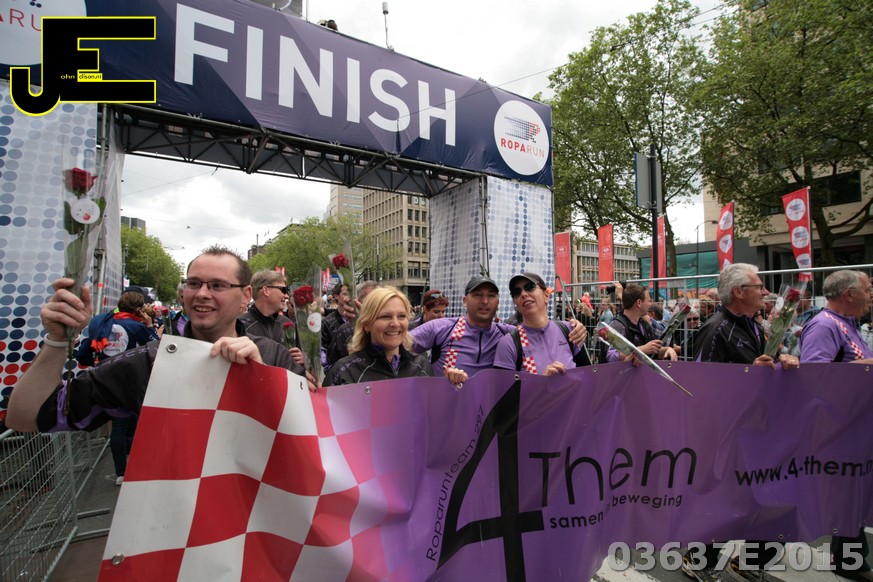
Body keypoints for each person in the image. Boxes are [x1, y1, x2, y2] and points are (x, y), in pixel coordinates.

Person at [5, 245, 313, 435]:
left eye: (218, 285)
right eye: (194, 283)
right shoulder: (148, 362)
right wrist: (58, 340)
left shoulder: (274, 356)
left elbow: (311, 432)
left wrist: (264, 378)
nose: (202, 293)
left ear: (245, 295)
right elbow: (25, 417)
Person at [682, 263, 799, 582]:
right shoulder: (715, 328)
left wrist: (783, 360)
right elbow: (701, 385)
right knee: (727, 498)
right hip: (728, 433)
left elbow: (763, 365)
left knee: (770, 494)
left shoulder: (754, 325)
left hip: (759, 428)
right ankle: (698, 559)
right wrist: (749, 375)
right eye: (759, 286)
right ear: (738, 292)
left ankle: (749, 560)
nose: (765, 291)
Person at [797, 270, 873, 581]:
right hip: (839, 430)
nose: (871, 295)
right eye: (868, 289)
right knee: (842, 495)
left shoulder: (847, 324)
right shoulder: (824, 326)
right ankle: (850, 561)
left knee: (852, 495)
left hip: (855, 427)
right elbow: (815, 376)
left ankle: (849, 560)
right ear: (849, 294)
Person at [75, 289, 161, 485]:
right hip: (133, 382)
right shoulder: (136, 326)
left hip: (107, 382)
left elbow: (83, 355)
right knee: (139, 424)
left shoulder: (102, 323)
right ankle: (141, 467)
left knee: (119, 427)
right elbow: (156, 348)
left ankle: (121, 472)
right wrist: (149, 326)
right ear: (138, 309)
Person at [409, 275, 511, 386]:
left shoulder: (507, 333)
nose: (485, 301)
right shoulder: (440, 328)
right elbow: (397, 348)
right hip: (443, 397)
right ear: (465, 301)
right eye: (477, 295)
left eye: (491, 296)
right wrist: (424, 375)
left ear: (498, 303)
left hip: (490, 397)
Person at [323, 286, 433, 386]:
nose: (395, 323)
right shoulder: (345, 372)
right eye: (385, 316)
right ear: (367, 324)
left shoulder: (422, 367)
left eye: (401, 316)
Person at [493, 273, 589, 375]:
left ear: (546, 295)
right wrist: (541, 382)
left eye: (529, 287)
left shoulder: (569, 330)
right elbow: (505, 385)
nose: (523, 294)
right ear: (516, 304)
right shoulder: (509, 344)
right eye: (516, 292)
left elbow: (588, 375)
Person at [603, 284, 678, 364]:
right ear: (639, 302)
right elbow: (611, 356)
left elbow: (651, 350)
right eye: (649, 301)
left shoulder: (643, 325)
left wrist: (667, 350)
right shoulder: (618, 325)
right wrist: (640, 350)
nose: (650, 304)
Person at [239, 270, 293, 345]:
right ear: (266, 290)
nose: (287, 296)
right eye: (283, 290)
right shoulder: (240, 326)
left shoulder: (287, 323)